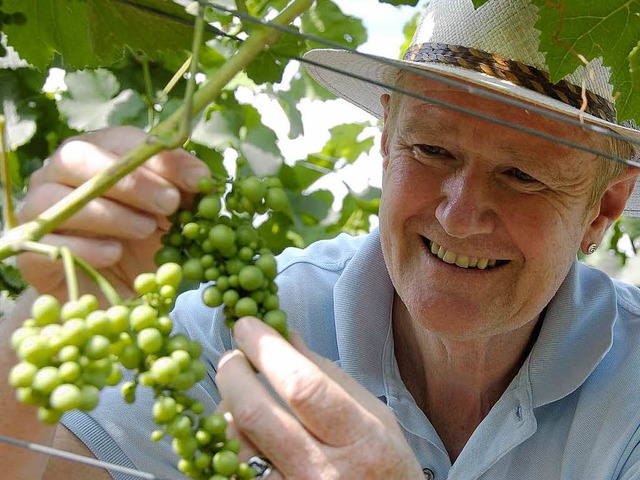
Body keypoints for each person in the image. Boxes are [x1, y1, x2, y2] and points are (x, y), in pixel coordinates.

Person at [2, 0, 640, 478]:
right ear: (386, 140)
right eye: (432, 149)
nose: (458, 214)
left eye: (522, 176)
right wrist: (46, 310)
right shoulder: (240, 327)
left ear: (602, 208)